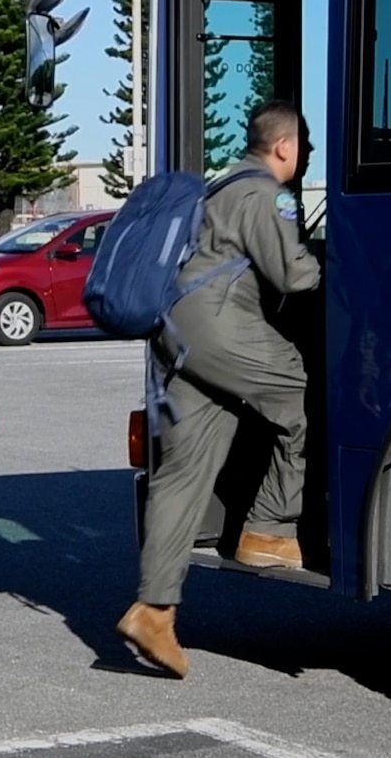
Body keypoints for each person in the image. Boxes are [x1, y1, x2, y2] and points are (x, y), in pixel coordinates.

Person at [117, 100, 323, 679]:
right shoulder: (267, 194)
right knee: (301, 396)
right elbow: (292, 275)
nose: (304, 157)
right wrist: (328, 263)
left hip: (175, 334)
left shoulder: (216, 186)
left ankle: (153, 610)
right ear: (283, 147)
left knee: (182, 473)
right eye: (303, 147)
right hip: (222, 327)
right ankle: (270, 530)